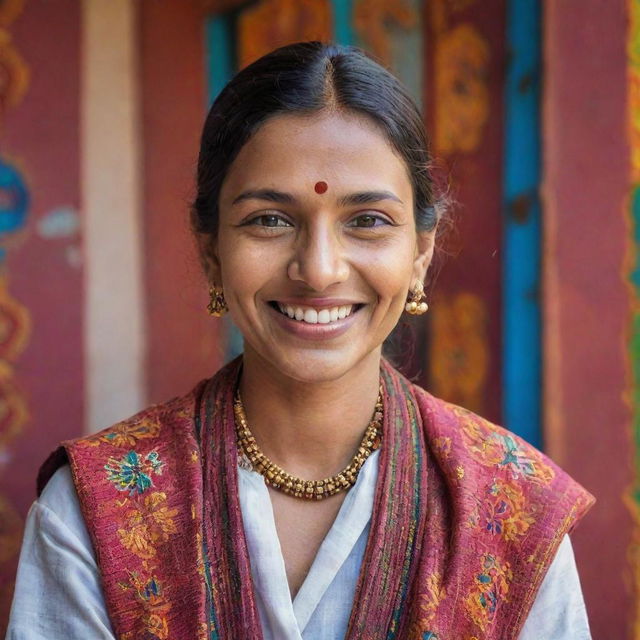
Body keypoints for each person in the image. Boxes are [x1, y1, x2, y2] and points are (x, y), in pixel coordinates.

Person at [7, 42, 594, 640]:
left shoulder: (515, 514)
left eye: (367, 220)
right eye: (270, 219)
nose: (318, 271)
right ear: (211, 252)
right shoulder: (94, 512)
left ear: (420, 253)